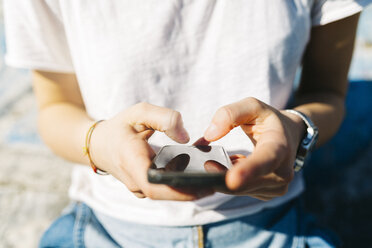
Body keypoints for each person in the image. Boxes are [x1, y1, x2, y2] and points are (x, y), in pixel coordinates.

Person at [3, 1, 371, 247]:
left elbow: (327, 93)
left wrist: (295, 129)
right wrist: (101, 145)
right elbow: (56, 107)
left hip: (274, 228)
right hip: (107, 231)